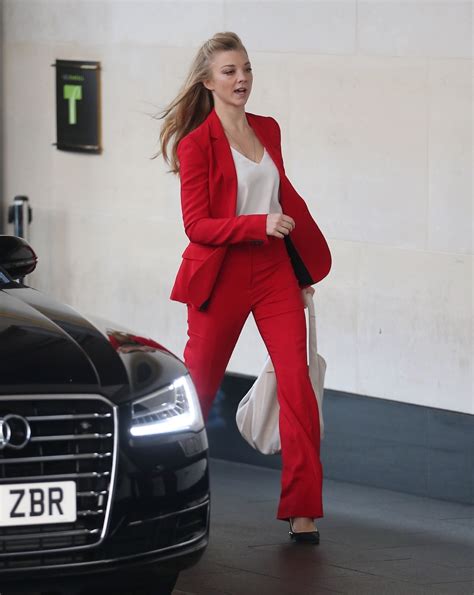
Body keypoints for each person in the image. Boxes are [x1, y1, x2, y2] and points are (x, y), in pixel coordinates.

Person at [156, 32, 331, 544]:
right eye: (230, 71)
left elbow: (283, 198)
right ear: (208, 82)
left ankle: (303, 509)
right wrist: (257, 226)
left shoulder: (268, 129)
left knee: (297, 386)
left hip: (274, 270)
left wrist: (301, 273)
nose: (242, 79)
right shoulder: (195, 145)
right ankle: (168, 495)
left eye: (247, 69)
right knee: (198, 391)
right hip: (221, 276)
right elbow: (198, 225)